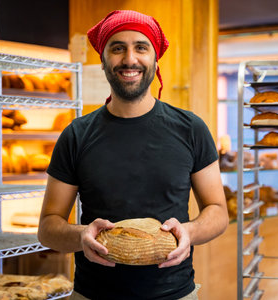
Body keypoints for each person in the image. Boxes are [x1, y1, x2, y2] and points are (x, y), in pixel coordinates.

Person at [38, 10, 229, 300]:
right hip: (92, 294)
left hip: (175, 294)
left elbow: (217, 211)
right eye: (117, 48)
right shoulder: (76, 135)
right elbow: (48, 226)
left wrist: (189, 232)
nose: (129, 59)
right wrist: (81, 236)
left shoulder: (191, 129)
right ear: (103, 61)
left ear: (155, 58)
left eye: (141, 47)